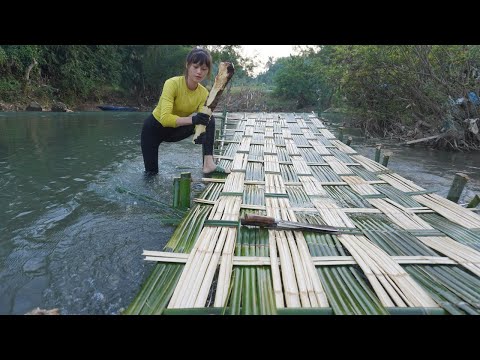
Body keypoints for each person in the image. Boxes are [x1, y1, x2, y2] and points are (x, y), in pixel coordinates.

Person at [141, 47, 228, 176]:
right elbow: (165, 119)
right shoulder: (172, 84)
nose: (199, 72)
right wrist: (193, 119)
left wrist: (201, 128)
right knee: (151, 174)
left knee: (209, 119)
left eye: (204, 69)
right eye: (195, 67)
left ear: (208, 71)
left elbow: (202, 120)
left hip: (176, 130)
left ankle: (208, 164)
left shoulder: (203, 93)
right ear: (187, 65)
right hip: (153, 130)